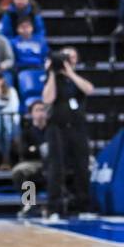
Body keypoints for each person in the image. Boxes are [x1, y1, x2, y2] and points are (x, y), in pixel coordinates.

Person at [41, 48, 93, 220]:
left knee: (82, 167)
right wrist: (52, 74)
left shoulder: (77, 78)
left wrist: (70, 74)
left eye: (71, 57)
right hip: (57, 127)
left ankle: (84, 206)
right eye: (65, 57)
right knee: (56, 168)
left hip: (77, 127)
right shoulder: (52, 78)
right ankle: (53, 208)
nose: (68, 60)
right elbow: (47, 99)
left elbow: (89, 90)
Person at [11, 99, 47, 215]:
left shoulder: (53, 130)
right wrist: (39, 149)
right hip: (33, 162)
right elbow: (24, 151)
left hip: (52, 162)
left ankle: (62, 204)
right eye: (37, 110)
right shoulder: (26, 132)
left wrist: (35, 148)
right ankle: (29, 203)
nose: (41, 113)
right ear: (31, 114)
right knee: (20, 171)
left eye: (43, 110)